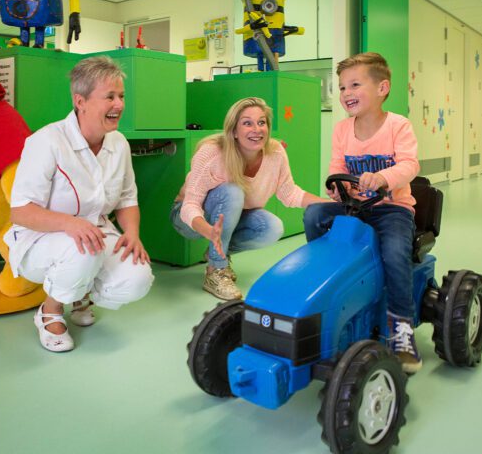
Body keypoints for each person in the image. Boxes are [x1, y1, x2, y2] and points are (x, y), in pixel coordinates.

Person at [6, 56, 153, 353]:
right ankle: (49, 311)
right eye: (109, 97)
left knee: (138, 277)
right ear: (80, 101)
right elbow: (20, 211)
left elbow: (126, 198)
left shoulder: (119, 143)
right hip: (42, 239)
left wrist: (133, 234)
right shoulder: (46, 141)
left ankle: (79, 293)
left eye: (121, 96)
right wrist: (70, 224)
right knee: (81, 248)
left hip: (94, 235)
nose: (119, 105)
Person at [303, 52, 422, 373]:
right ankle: (327, 277)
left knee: (396, 252)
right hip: (353, 204)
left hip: (390, 209)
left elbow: (410, 165)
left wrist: (383, 178)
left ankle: (401, 327)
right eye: (342, 88)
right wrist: (334, 187)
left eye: (355, 85)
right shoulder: (342, 129)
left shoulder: (399, 125)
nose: (346, 93)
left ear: (382, 88)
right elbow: (337, 165)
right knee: (315, 215)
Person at [171, 96, 327, 300]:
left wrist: (333, 204)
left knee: (271, 227)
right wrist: (210, 232)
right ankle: (215, 271)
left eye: (262, 122)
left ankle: (218, 253)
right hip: (188, 218)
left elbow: (290, 193)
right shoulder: (212, 154)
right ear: (234, 131)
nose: (257, 129)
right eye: (247, 123)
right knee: (232, 191)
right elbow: (189, 205)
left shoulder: (275, 152)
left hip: (229, 218)